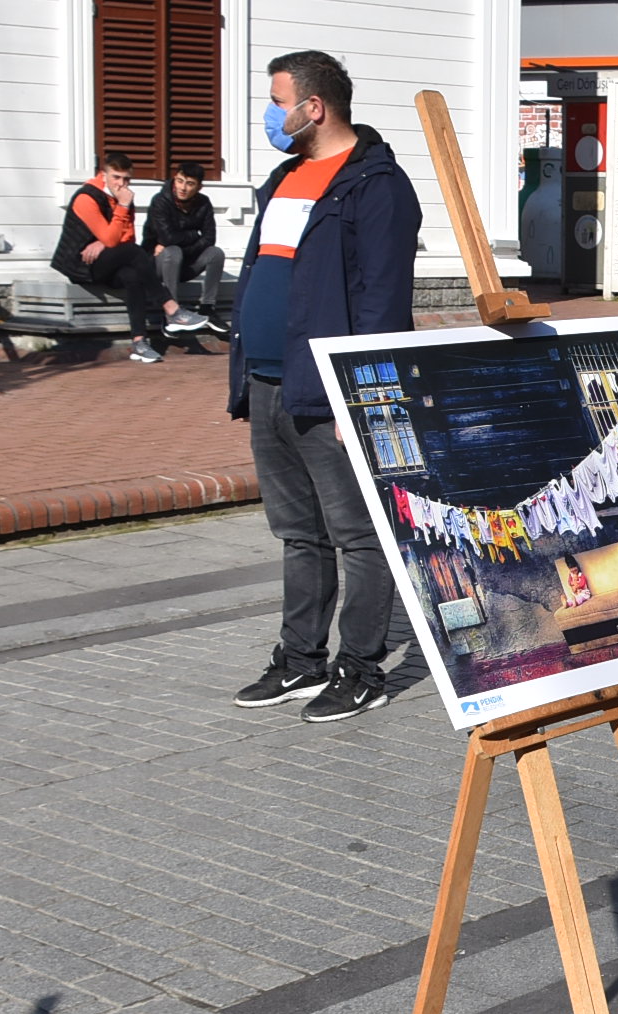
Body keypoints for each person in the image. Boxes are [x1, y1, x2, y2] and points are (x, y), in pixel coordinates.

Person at [229, 49, 420, 723]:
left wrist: (361, 392)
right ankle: (300, 660)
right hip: (268, 382)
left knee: (357, 535)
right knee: (298, 532)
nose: (270, 113)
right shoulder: (284, 177)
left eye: (278, 100)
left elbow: (382, 299)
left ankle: (361, 668)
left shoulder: (376, 185)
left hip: (329, 391)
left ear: (314, 107)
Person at [56, 151, 175, 363]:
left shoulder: (122, 197)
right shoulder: (86, 197)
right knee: (135, 252)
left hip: (106, 261)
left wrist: (102, 241)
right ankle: (169, 306)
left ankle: (139, 341)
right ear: (103, 175)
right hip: (81, 264)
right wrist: (121, 211)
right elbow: (115, 240)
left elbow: (127, 236)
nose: (121, 183)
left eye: (126, 178)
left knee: (133, 275)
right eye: (116, 177)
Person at [143, 161, 227, 340]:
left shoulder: (204, 203)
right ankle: (172, 313)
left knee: (216, 253)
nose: (183, 188)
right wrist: (194, 235)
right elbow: (168, 239)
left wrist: (185, 246)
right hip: (159, 264)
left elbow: (209, 238)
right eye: (180, 181)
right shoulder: (161, 201)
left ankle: (208, 308)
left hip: (186, 264)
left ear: (199, 187)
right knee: (173, 251)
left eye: (189, 184)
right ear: (174, 179)